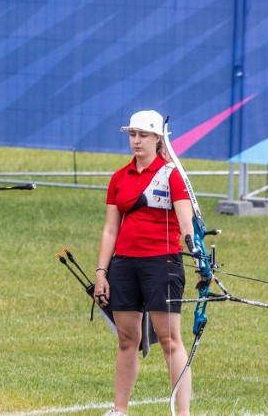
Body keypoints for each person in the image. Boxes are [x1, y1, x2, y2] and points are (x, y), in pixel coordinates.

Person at [94, 110, 195, 416]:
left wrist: (198, 255)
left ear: (157, 139)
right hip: (124, 265)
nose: (136, 141)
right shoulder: (119, 177)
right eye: (132, 135)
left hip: (161, 264)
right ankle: (119, 410)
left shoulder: (172, 175)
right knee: (128, 339)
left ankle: (183, 413)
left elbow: (186, 224)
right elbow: (111, 228)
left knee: (168, 339)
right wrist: (102, 271)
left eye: (143, 135)